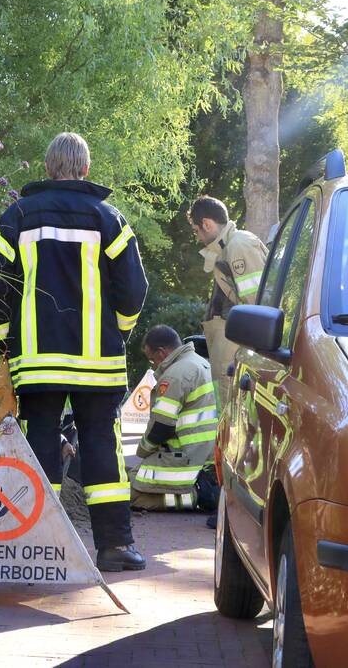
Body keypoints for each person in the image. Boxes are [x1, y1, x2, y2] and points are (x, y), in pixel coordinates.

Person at [0, 132, 149, 572]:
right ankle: (115, 547)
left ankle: (39, 548)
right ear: (86, 169)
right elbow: (133, 290)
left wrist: (4, 341)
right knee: (101, 443)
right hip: (98, 360)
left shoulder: (17, 216)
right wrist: (119, 332)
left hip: (37, 360)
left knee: (40, 443)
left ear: (48, 167)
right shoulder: (109, 219)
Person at [188, 196, 268, 398]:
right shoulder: (228, 248)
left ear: (207, 224)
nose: (197, 237)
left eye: (196, 230)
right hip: (230, 345)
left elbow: (259, 305)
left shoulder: (239, 245)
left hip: (236, 347)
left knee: (229, 406)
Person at [130, 326, 218, 512]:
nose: (153, 365)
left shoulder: (175, 374)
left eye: (152, 359)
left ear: (161, 352)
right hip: (205, 458)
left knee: (129, 493)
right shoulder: (201, 363)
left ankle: (193, 497)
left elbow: (162, 427)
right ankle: (201, 492)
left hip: (184, 460)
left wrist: (142, 450)